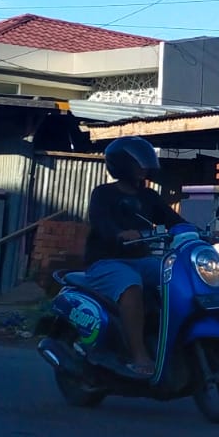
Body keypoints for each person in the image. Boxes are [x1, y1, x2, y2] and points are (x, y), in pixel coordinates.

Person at [82, 137, 182, 377]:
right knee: (130, 285)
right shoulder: (103, 194)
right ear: (122, 164)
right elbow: (101, 223)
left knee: (175, 277)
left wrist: (197, 232)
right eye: (137, 163)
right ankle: (139, 355)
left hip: (141, 260)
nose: (143, 167)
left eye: (144, 162)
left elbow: (173, 220)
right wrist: (119, 234)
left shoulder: (149, 197)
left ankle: (170, 341)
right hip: (106, 261)